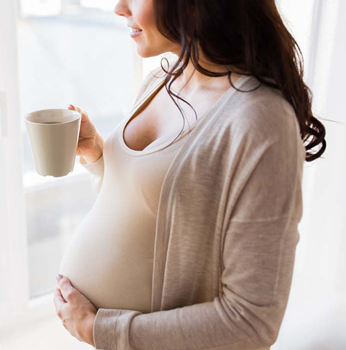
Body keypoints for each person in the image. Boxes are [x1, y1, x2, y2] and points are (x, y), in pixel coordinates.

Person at [53, 0, 327, 349]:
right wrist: (97, 155)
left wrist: (100, 330)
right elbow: (153, 210)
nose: (119, 8)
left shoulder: (261, 121)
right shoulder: (161, 80)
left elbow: (252, 322)